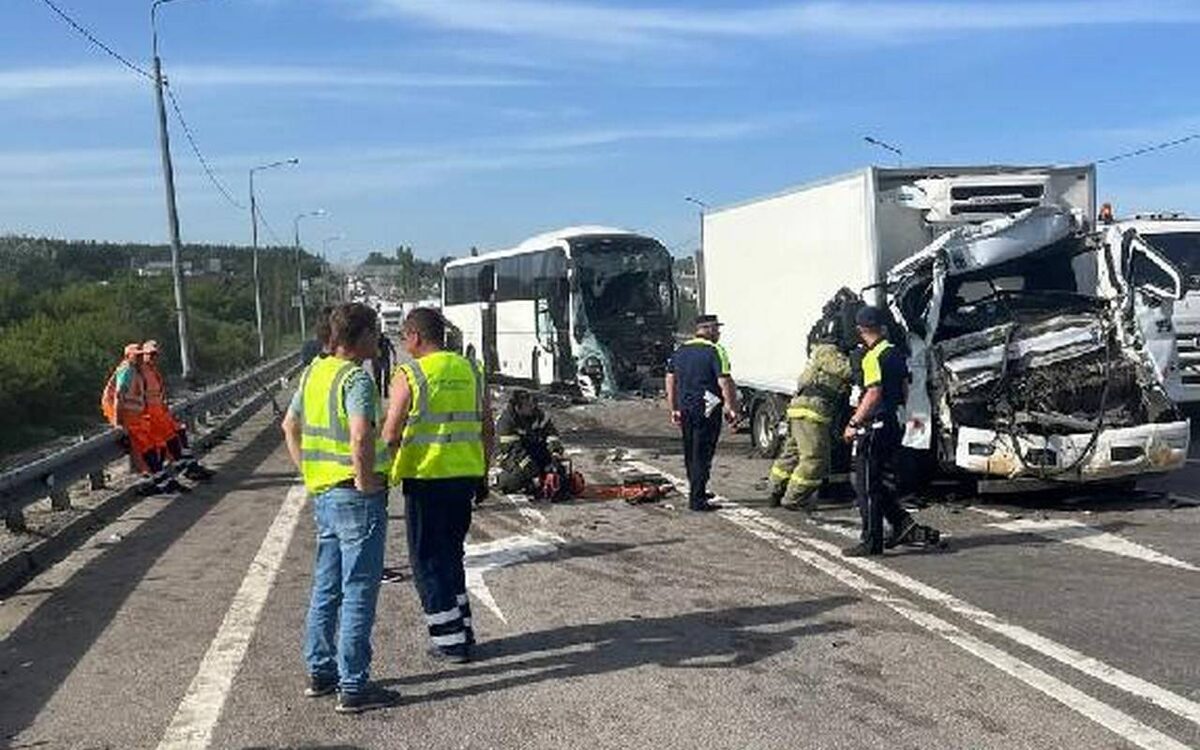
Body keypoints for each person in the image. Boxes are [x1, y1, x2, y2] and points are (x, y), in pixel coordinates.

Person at [282, 302, 396, 714]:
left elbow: (289, 427)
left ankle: (321, 671)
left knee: (327, 586)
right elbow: (361, 437)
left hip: (326, 494)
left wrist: (311, 473)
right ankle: (353, 685)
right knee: (359, 588)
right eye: (376, 333)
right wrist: (366, 484)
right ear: (362, 336)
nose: (380, 340)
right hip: (355, 495)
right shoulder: (356, 380)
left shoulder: (314, 371)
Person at [382, 307, 494, 664]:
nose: (404, 343)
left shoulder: (409, 373)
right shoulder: (471, 370)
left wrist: (383, 470)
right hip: (464, 476)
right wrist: (482, 473)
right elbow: (487, 427)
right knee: (451, 554)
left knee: (427, 560)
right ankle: (462, 628)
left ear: (415, 336)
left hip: (426, 479)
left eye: (404, 337)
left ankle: (448, 641)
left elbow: (391, 431)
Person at [841, 306, 940, 557]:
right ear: (882, 327)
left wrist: (854, 422)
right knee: (880, 483)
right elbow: (906, 388)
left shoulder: (872, 357)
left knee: (866, 487)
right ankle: (901, 523)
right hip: (892, 424)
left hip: (874, 427)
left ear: (860, 330)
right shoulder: (895, 352)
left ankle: (871, 541)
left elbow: (873, 392)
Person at [665, 314, 739, 512]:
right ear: (709, 329)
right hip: (708, 407)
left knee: (691, 451)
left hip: (686, 407)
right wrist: (731, 408)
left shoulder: (680, 351)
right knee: (703, 453)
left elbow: (670, 381)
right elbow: (725, 381)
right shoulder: (716, 350)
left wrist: (673, 408)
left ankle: (697, 489)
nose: (719, 333)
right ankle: (697, 499)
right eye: (717, 329)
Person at [768, 341, 852, 511]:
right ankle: (794, 498)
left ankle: (776, 491)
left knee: (792, 453)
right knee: (814, 458)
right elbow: (845, 371)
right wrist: (860, 361)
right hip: (812, 410)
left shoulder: (817, 353)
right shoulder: (827, 350)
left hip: (801, 408)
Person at [103, 343, 187, 495]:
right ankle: (163, 482)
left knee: (154, 446)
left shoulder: (137, 371)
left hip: (137, 417)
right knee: (148, 448)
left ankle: (163, 481)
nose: (140, 357)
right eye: (137, 355)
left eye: (141, 355)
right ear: (128, 356)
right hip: (129, 418)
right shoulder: (127, 370)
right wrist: (117, 422)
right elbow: (119, 397)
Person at [140, 340, 215, 481]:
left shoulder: (152, 370)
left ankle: (190, 467)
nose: (153, 357)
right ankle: (176, 472)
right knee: (166, 444)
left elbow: (157, 394)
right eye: (150, 354)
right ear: (143, 354)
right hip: (150, 416)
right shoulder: (141, 371)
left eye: (155, 354)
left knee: (180, 434)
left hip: (160, 414)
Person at [494, 389, 580, 501]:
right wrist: (534, 472)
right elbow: (513, 450)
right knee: (518, 476)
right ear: (517, 407)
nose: (532, 407)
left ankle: (552, 482)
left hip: (534, 450)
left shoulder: (540, 416)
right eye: (528, 405)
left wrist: (555, 453)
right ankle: (504, 481)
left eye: (533, 403)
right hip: (510, 456)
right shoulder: (506, 421)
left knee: (557, 470)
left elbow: (551, 435)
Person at [374, 332, 396, 398]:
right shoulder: (374, 341)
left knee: (386, 377)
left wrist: (395, 359)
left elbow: (392, 349)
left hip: (385, 359)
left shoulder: (386, 340)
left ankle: (386, 394)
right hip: (376, 360)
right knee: (378, 378)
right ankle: (379, 394)